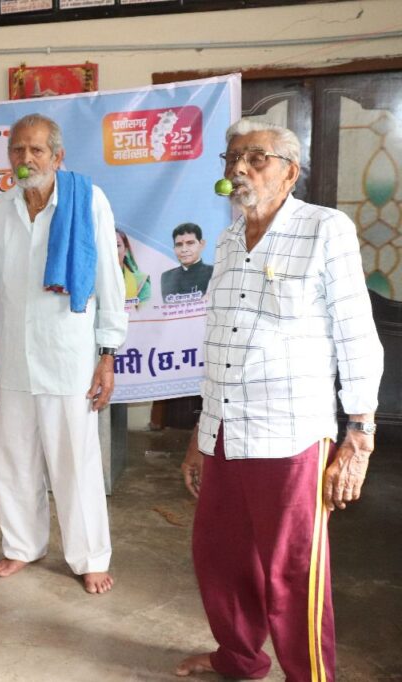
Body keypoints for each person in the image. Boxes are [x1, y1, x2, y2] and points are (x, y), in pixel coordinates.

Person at [176, 121, 383, 680]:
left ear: (290, 172)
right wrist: (201, 435)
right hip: (225, 430)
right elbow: (220, 343)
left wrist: (358, 435)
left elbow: (356, 334)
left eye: (256, 158)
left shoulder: (324, 229)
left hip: (290, 433)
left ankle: (309, 675)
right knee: (219, 556)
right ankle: (239, 658)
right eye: (232, 158)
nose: (239, 168)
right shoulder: (226, 240)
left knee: (294, 571)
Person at [0, 113, 127, 595]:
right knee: (15, 459)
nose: (26, 159)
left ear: (57, 157)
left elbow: (108, 280)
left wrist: (107, 354)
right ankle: (22, 545)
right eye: (17, 150)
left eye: (36, 150)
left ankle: (90, 557)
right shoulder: (0, 210)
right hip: (14, 355)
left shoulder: (88, 200)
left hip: (69, 356)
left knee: (75, 463)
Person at [160, 223, 213, 302]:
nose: (184, 249)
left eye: (190, 243)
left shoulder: (214, 273)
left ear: (202, 244)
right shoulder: (167, 277)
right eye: (179, 245)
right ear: (174, 248)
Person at [115, 228, 150, 307]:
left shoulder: (141, 283)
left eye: (117, 245)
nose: (112, 250)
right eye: (107, 245)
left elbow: (144, 312)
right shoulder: (91, 281)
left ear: (125, 250)